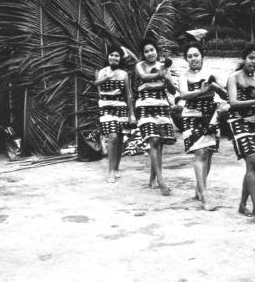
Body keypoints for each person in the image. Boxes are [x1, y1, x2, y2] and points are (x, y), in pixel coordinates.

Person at [179, 42, 227, 210]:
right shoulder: (184, 76)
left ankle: (200, 189)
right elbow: (184, 94)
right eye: (190, 56)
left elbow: (225, 92)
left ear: (202, 56)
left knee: (208, 154)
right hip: (192, 115)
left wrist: (214, 86)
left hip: (210, 115)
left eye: (196, 55)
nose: (193, 59)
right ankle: (205, 195)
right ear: (186, 59)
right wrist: (200, 91)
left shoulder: (211, 73)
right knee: (200, 152)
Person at [227, 43, 255, 225]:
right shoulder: (233, 78)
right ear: (244, 58)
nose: (254, 61)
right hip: (238, 122)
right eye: (251, 58)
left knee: (254, 165)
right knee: (252, 160)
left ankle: (243, 204)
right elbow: (233, 103)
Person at [134, 39, 176, 196]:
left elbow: (172, 90)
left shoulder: (163, 67)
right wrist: (161, 73)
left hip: (161, 106)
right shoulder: (140, 66)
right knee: (154, 139)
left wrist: (166, 78)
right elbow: (144, 77)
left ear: (156, 51)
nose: (150, 53)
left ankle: (152, 177)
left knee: (160, 142)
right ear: (142, 54)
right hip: (145, 105)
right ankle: (161, 180)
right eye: (146, 51)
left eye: (152, 50)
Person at [94, 45, 136, 183]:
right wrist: (107, 77)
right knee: (112, 136)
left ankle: (116, 167)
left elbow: (128, 94)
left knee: (120, 139)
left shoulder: (124, 74)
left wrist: (131, 114)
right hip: (106, 107)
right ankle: (111, 171)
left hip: (121, 108)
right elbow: (96, 83)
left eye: (117, 55)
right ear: (108, 57)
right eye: (111, 55)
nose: (114, 57)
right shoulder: (102, 72)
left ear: (120, 58)